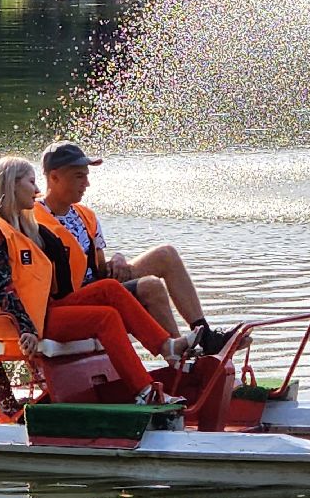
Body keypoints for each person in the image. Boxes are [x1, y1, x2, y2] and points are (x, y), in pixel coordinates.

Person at [0, 156, 190, 404]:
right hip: (23, 324)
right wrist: (27, 330)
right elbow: (5, 290)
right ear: (11, 185)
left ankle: (167, 346)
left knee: (109, 288)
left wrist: (114, 259)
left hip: (44, 312)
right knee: (105, 318)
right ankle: (145, 391)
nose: (37, 190)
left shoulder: (25, 228)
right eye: (31, 182)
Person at [33, 141, 235, 354]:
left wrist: (118, 258)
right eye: (79, 176)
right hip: (70, 300)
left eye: (87, 176)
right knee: (151, 286)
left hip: (98, 285)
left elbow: (99, 269)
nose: (87, 184)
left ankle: (204, 335)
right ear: (54, 177)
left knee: (166, 254)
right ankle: (180, 358)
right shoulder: (32, 218)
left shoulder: (85, 215)